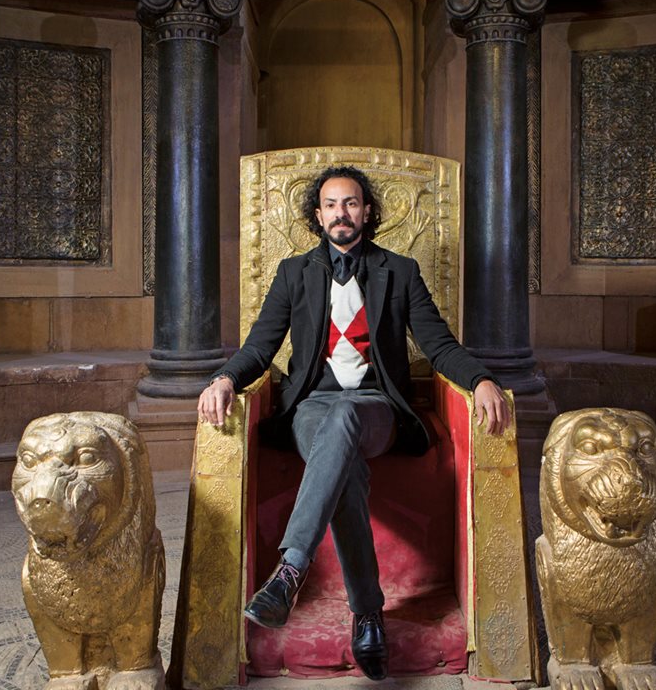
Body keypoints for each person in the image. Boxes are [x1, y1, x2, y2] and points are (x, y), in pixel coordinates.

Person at [197, 165, 510, 681]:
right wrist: (225, 379)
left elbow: (438, 344)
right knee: (343, 465)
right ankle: (368, 614)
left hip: (376, 409)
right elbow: (260, 346)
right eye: (331, 205)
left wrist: (479, 380)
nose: (341, 213)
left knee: (347, 416)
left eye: (351, 203)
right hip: (310, 409)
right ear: (317, 216)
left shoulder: (400, 271)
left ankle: (289, 570)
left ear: (366, 211)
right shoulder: (292, 273)